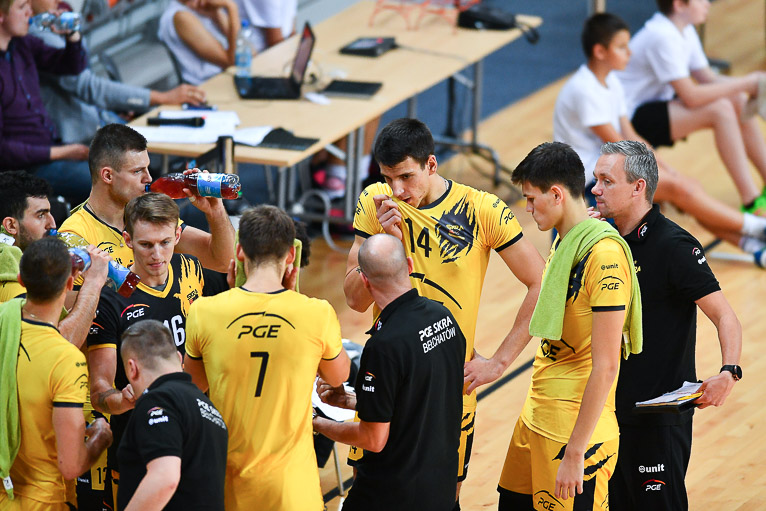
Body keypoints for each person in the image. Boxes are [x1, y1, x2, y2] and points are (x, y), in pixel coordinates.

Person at [345, 118, 544, 505]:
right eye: (388, 178)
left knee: (442, 500)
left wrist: (499, 362)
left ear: (431, 165)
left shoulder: (481, 209)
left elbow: (541, 283)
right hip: (388, 376)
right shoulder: (375, 203)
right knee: (371, 496)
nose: (397, 191)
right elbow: (355, 299)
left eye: (406, 177)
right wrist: (384, 240)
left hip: (449, 386)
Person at [591, 140, 742, 511]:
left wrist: (729, 371)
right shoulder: (600, 242)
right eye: (595, 179)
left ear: (638, 187)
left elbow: (725, 315)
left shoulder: (674, 246)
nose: (595, 189)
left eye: (607, 181)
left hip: (656, 420)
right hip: (604, 414)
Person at [554, 12, 766, 265]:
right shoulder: (584, 90)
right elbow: (619, 146)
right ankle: (758, 228)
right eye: (622, 47)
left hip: (610, 169)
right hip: (588, 182)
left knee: (686, 188)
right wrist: (666, 177)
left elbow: (632, 135)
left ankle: (755, 246)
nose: (630, 53)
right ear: (600, 51)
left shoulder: (611, 82)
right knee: (682, 190)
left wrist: (668, 170)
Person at [497, 141, 642, 510]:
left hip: (573, 434)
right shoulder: (568, 241)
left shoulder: (603, 256)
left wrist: (576, 453)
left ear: (557, 194)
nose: (528, 209)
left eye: (532, 199)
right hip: (537, 416)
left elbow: (606, 366)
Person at [184, 205, 350, 511]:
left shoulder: (204, 312)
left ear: (239, 252)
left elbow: (194, 385)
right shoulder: (317, 313)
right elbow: (339, 376)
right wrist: (294, 299)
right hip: (292, 490)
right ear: (291, 255)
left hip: (228, 486)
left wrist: (234, 298)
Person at [313, 233, 466, 511]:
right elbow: (419, 397)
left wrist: (315, 423)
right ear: (409, 265)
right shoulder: (444, 317)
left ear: (365, 281)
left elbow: (372, 438)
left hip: (392, 496)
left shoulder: (383, 347)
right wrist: (354, 401)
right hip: (441, 490)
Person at [87, 193, 207, 508]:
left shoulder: (191, 269)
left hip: (193, 438)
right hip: (138, 446)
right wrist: (124, 399)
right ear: (127, 240)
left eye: (165, 243)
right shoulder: (110, 299)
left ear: (178, 235)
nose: (157, 254)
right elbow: (99, 391)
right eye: (146, 245)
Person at [617, 0, 766, 215]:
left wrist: (751, 86)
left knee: (737, 100)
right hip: (629, 122)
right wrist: (747, 83)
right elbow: (691, 97)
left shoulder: (684, 29)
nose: (708, 4)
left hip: (654, 106)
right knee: (720, 110)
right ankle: (751, 201)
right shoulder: (662, 36)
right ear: (679, 5)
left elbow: (708, 79)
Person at [0, 237, 113, 510]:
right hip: (44, 501)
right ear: (70, 283)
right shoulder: (66, 359)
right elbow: (71, 465)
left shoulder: (4, 325)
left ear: (21, 281)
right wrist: (100, 436)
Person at [58, 123, 236, 273]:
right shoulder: (74, 236)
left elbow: (225, 262)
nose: (149, 178)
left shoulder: (146, 212)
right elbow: (76, 303)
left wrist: (216, 212)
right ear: (108, 176)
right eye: (137, 171)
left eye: (147, 168)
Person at [28, 0, 206, 145]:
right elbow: (87, 86)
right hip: (78, 136)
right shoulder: (37, 33)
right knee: (146, 158)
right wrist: (162, 97)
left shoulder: (56, 17)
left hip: (98, 118)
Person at [117, 320, 228, 511]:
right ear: (178, 357)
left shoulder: (158, 400)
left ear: (132, 368)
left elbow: (165, 477)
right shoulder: (209, 408)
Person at [0, 171, 111, 348]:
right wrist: (93, 284)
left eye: (50, 213)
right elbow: (55, 347)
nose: (52, 223)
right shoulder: (7, 264)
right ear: (11, 225)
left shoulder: (24, 263)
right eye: (40, 215)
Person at [0, 0, 92, 205]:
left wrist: (71, 34)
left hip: (52, 152)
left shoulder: (22, 44)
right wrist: (62, 153)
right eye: (22, 7)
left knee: (124, 166)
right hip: (25, 170)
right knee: (111, 182)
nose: (30, 12)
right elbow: (3, 150)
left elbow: (73, 66)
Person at [158, 0, 239, 86]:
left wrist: (217, 15)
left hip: (226, 77)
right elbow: (233, 61)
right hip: (210, 85)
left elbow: (246, 49)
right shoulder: (180, 16)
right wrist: (231, 7)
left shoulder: (201, 5)